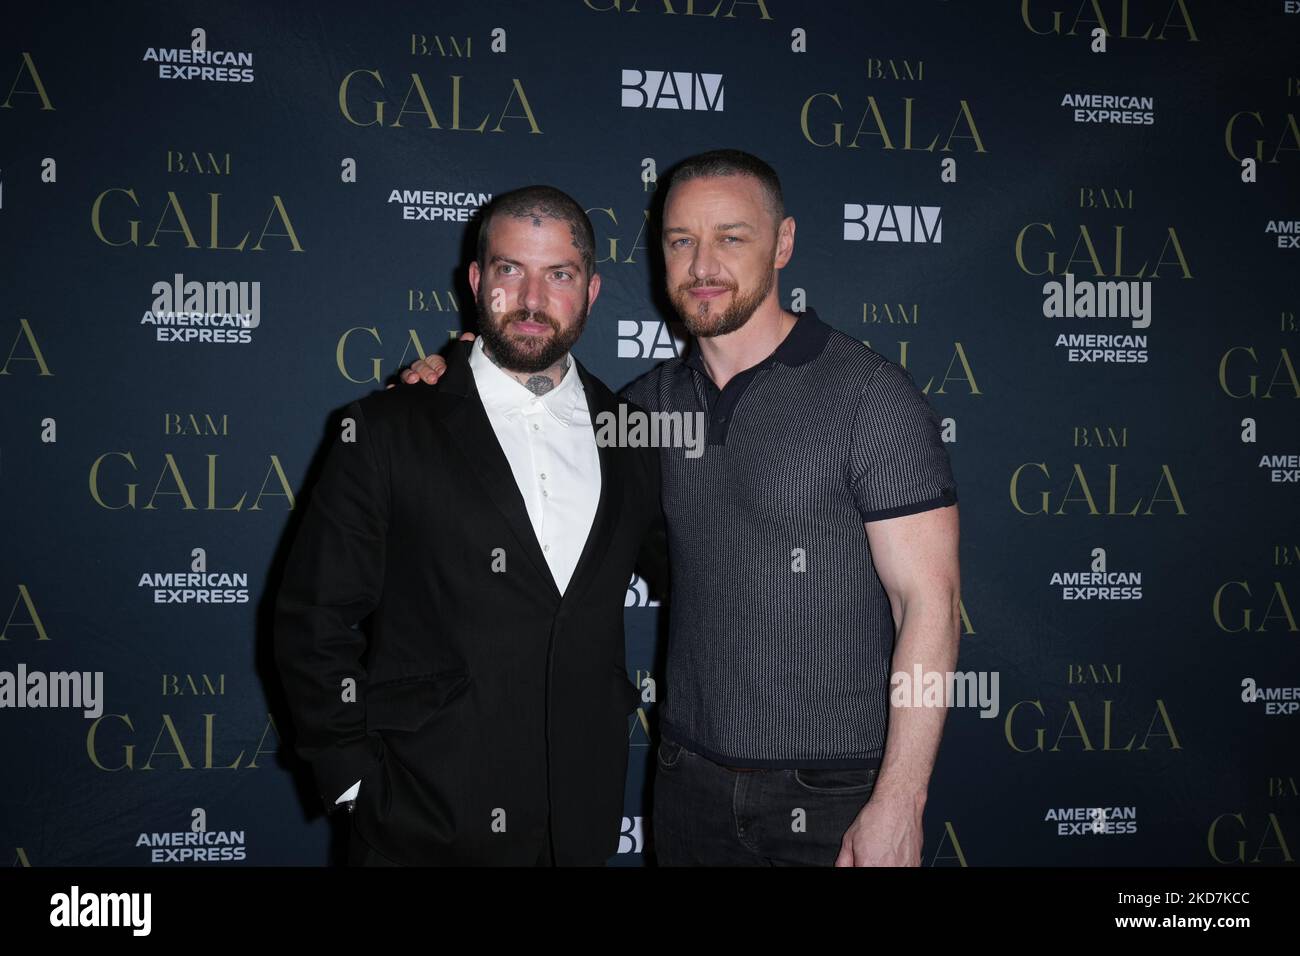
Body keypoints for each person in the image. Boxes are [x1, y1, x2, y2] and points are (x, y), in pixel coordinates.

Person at [403, 149, 961, 867]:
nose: (703, 264)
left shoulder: (868, 396)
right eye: (680, 241)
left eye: (732, 236)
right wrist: (452, 367)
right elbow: (528, 419)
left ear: (783, 243)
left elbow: (931, 604)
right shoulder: (645, 411)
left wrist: (899, 800)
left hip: (834, 795)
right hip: (687, 787)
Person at [275, 185, 665, 866]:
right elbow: (313, 621)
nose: (533, 299)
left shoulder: (631, 433)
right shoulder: (388, 426)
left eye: (560, 275)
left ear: (593, 290)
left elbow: (699, 572)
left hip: (577, 828)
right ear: (478, 281)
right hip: (419, 826)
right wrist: (350, 784)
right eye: (512, 270)